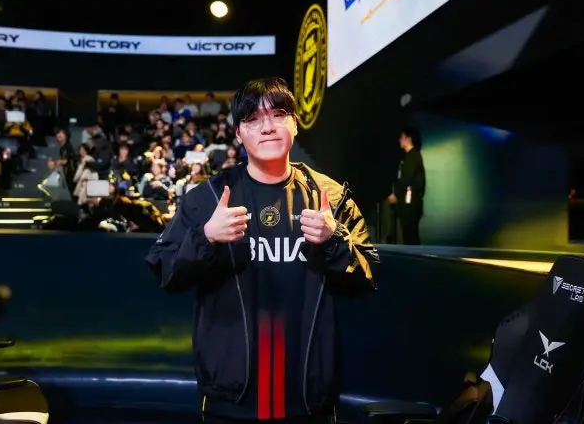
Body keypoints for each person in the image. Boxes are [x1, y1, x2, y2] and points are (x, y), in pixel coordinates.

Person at [145, 77, 379, 424]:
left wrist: (334, 239)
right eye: (253, 119)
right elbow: (165, 270)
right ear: (239, 133)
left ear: (295, 124)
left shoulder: (330, 196)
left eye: (279, 115)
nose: (268, 127)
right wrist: (206, 237)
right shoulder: (208, 198)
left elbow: (368, 274)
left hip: (308, 396)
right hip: (230, 398)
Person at [388, 126, 425, 245]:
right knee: (409, 235)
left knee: (410, 235)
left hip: (410, 203)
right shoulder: (410, 157)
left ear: (409, 138)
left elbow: (407, 178)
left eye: (402, 137)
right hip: (408, 202)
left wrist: (395, 194)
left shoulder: (412, 156)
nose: (399, 140)